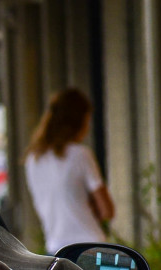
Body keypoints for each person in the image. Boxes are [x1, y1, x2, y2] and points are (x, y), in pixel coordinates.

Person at [24, 87, 115, 252]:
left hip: (56, 249)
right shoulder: (80, 154)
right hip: (90, 246)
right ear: (78, 122)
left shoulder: (32, 160)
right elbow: (107, 210)